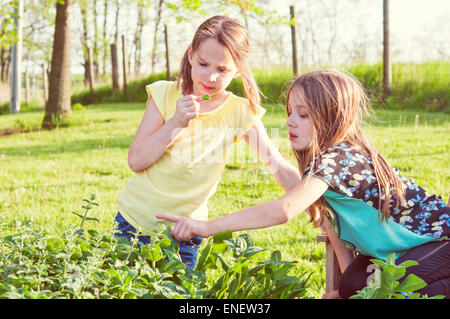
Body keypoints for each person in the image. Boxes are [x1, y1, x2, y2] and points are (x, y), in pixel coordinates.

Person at [157, 69, 450, 298]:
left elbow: (285, 209)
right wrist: (349, 287)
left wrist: (206, 227)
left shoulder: (340, 158)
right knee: (360, 286)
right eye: (289, 113)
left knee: (391, 288)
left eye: (303, 114)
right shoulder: (324, 161)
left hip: (439, 242)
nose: (290, 122)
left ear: (332, 117)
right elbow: (330, 220)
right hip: (400, 252)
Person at [114, 15, 301, 271]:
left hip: (185, 232)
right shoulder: (165, 94)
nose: (211, 77)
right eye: (203, 63)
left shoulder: (239, 112)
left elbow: (278, 166)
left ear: (237, 70)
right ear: (190, 55)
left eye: (222, 70)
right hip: (133, 222)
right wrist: (176, 122)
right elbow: (136, 161)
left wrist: (314, 193)